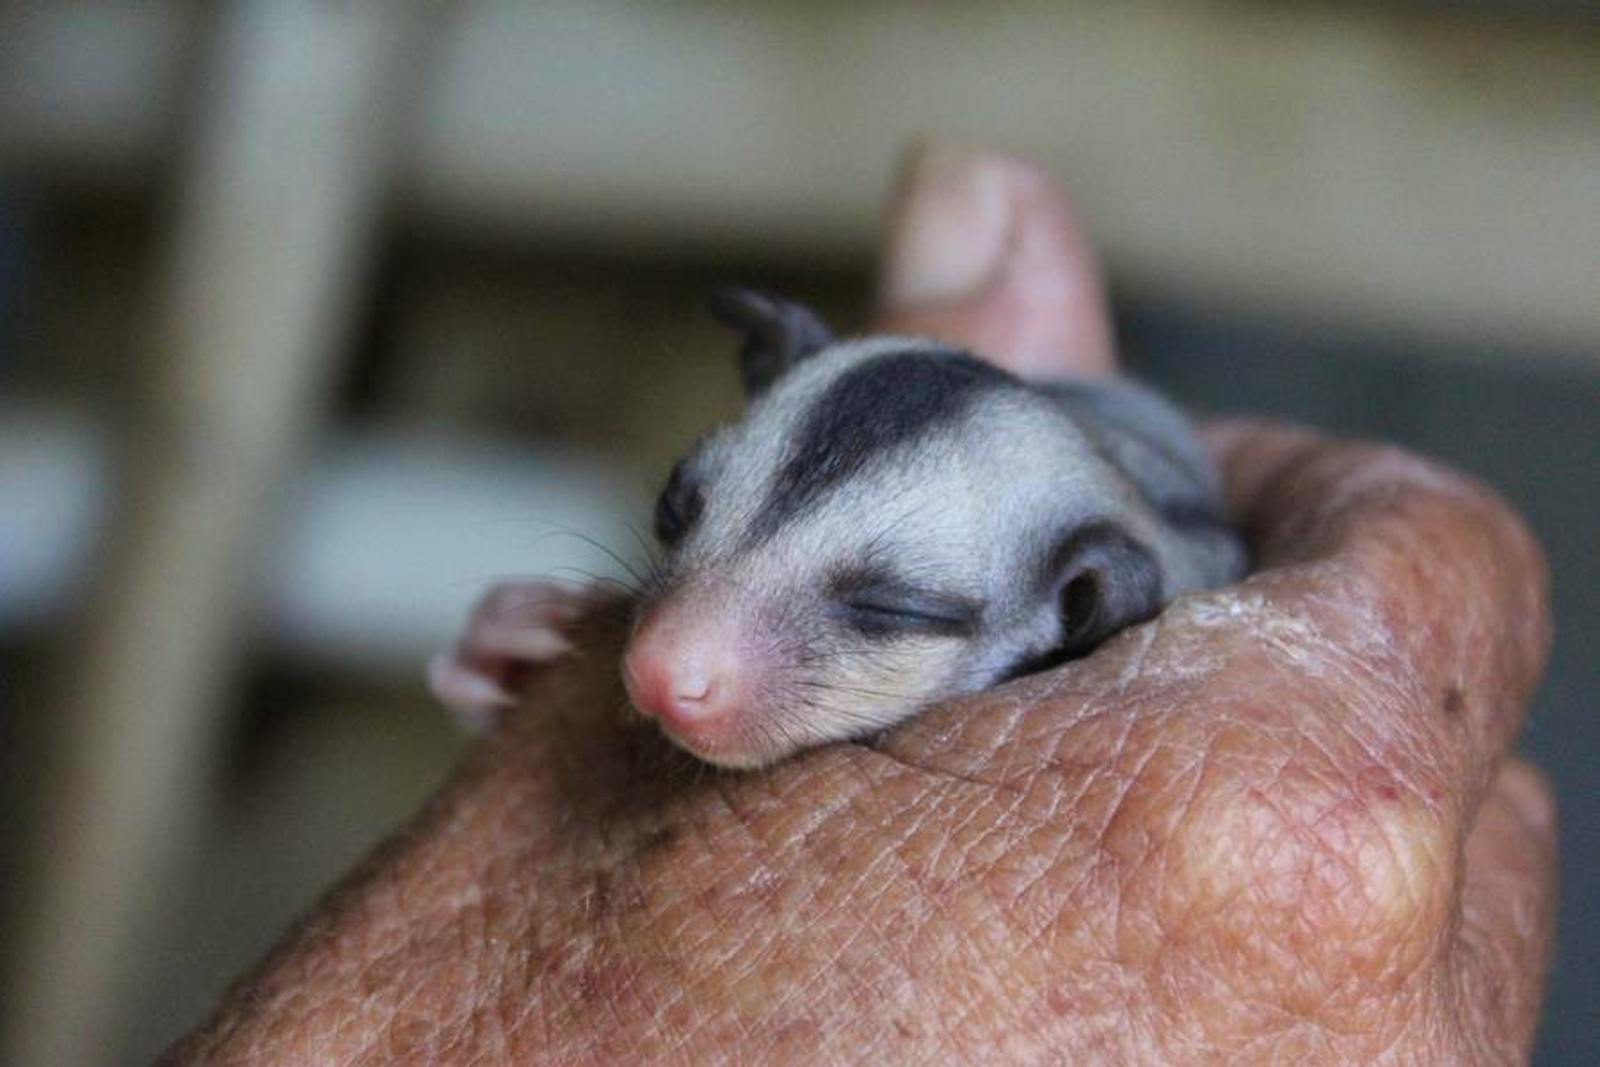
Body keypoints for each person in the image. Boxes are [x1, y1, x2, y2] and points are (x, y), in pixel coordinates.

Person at [165, 144, 1556, 1064]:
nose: (666, 657)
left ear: (1077, 612)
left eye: (877, 606)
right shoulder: (999, 587)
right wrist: (557, 649)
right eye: (683, 522)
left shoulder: (1134, 630)